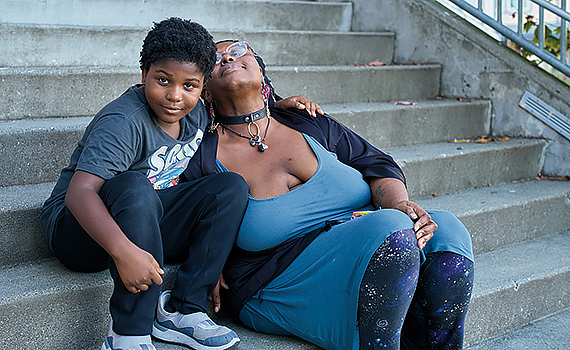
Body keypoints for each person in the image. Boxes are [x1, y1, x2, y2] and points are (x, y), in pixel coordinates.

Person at [40, 19, 318, 350]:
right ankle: (128, 334)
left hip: (143, 219)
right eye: (162, 81)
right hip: (81, 232)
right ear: (143, 75)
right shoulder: (124, 122)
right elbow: (80, 193)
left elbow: (241, 100)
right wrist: (123, 251)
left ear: (203, 88)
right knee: (134, 185)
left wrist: (275, 104)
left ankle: (185, 310)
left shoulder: (198, 112)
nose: (175, 96)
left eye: (189, 85)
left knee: (229, 187)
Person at [182, 39, 475, 350]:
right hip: (277, 280)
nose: (227, 57)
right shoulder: (201, 155)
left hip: (365, 243)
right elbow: (182, 215)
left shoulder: (305, 120)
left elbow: (375, 163)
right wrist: (206, 261)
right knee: (392, 230)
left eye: (239, 50)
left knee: (447, 231)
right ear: (203, 88)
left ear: (261, 71)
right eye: (215, 58)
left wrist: (400, 204)